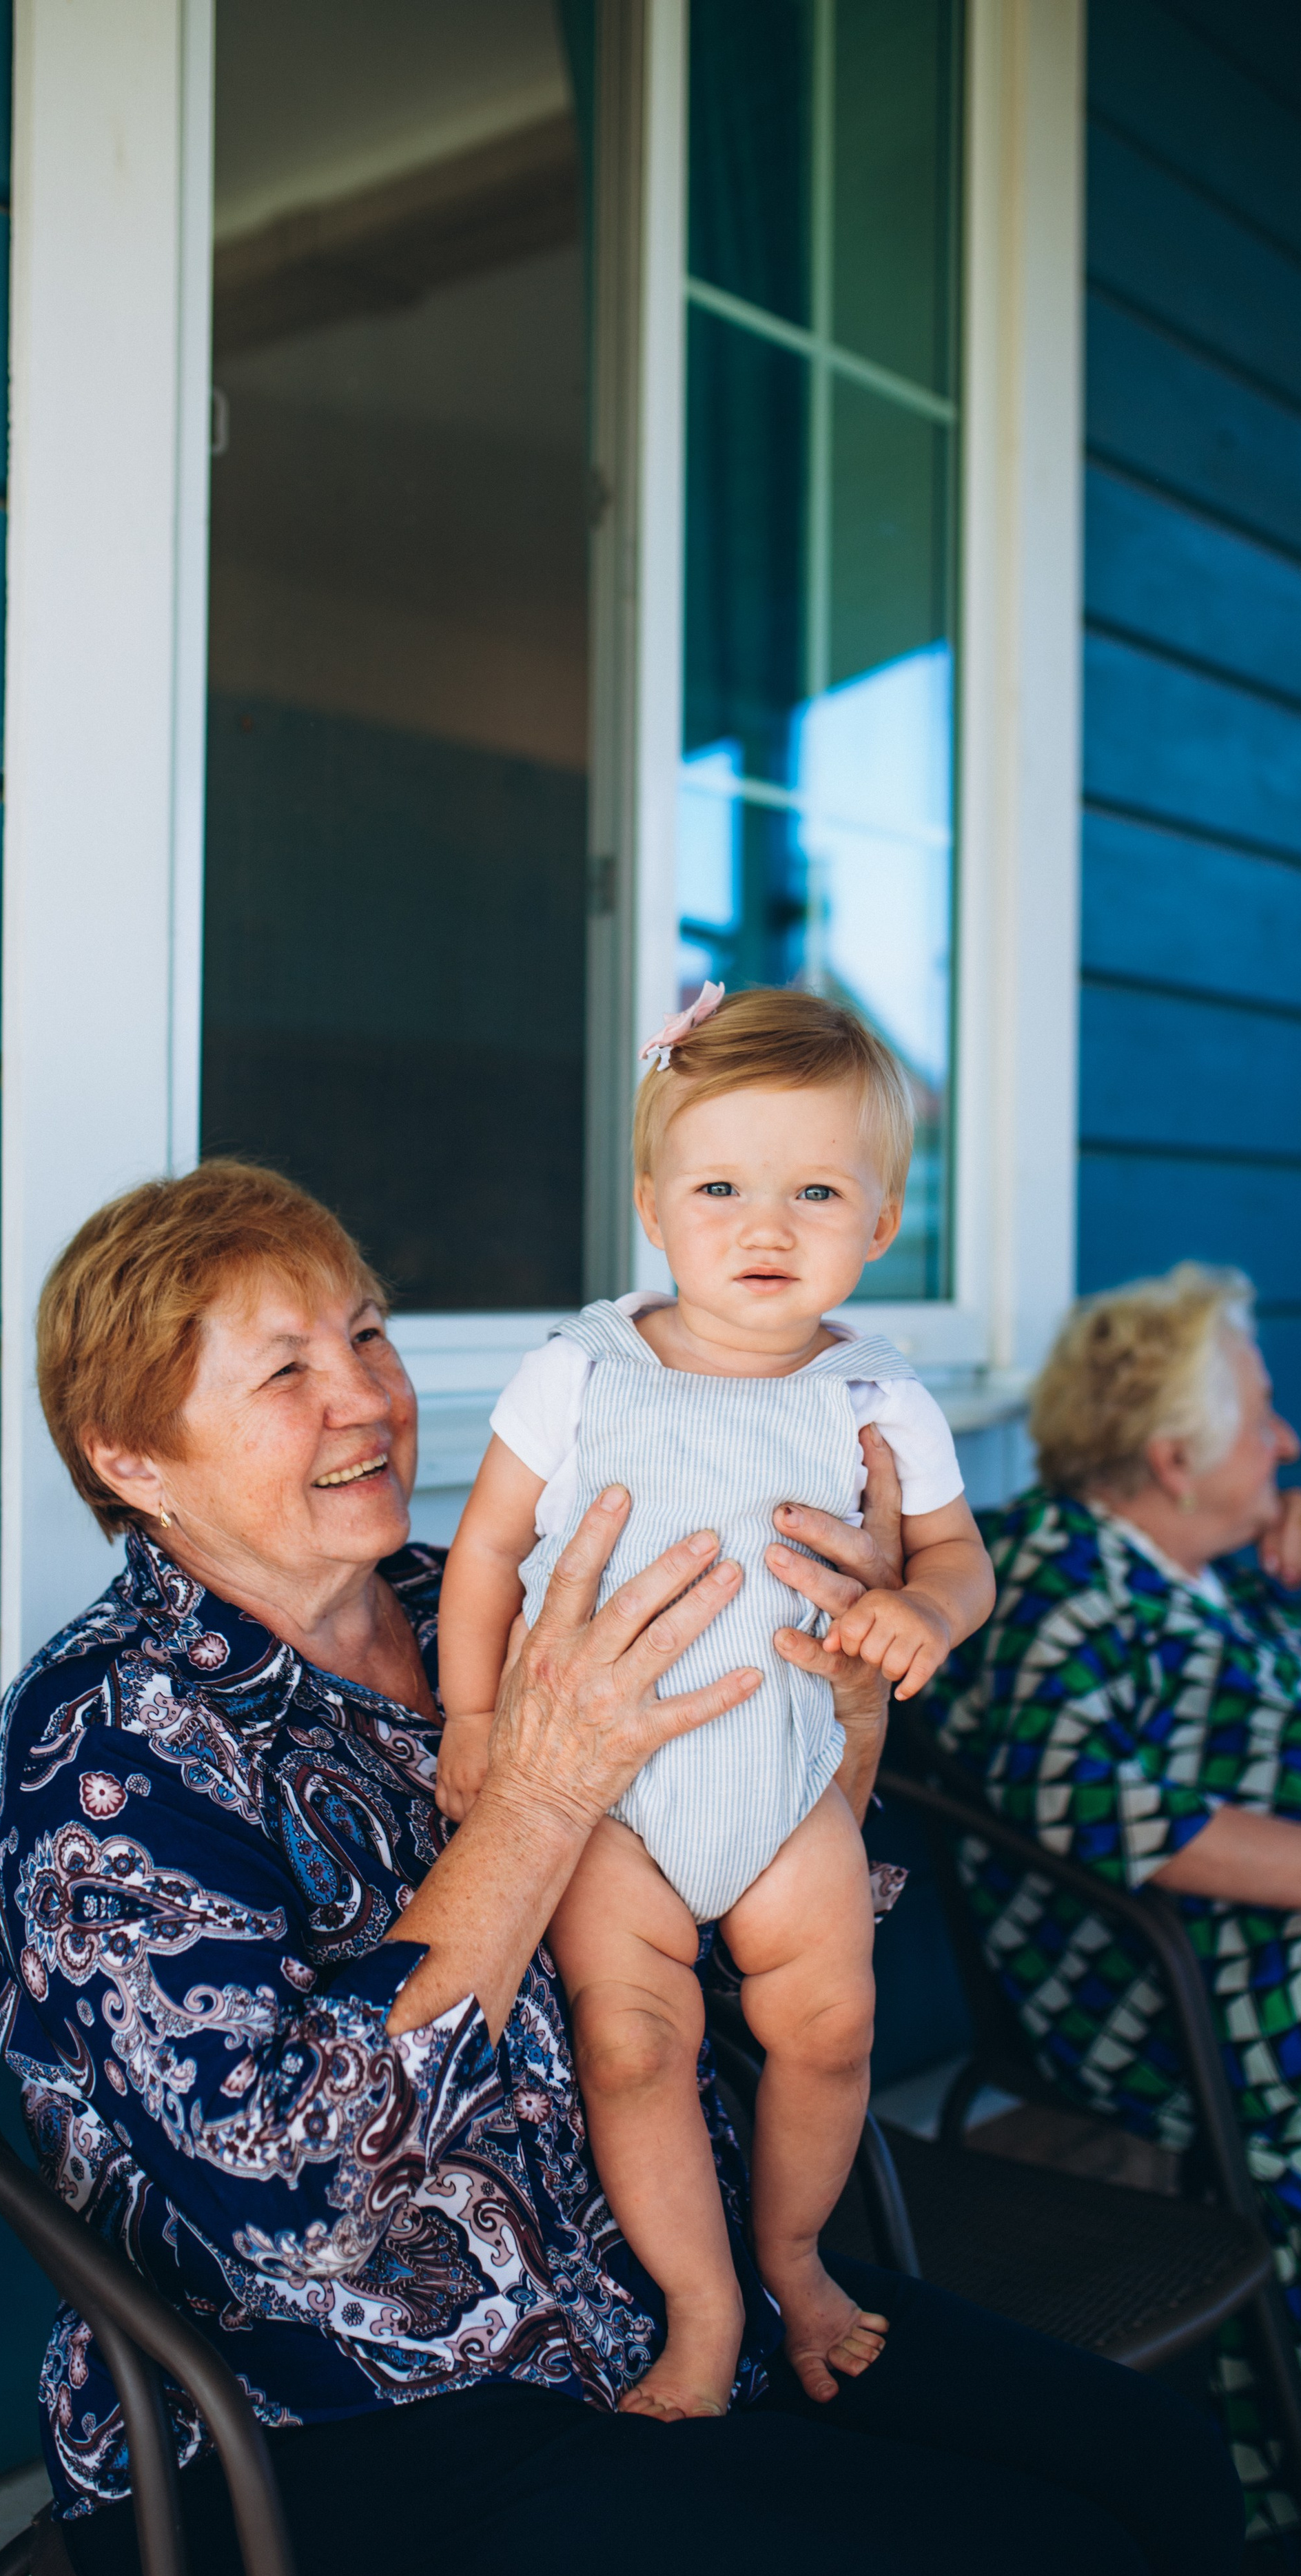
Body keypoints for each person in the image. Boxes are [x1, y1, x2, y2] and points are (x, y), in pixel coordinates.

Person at [0, 1159, 1239, 2576]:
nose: (365, 1398)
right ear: (133, 1458)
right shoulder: (110, 1739)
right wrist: (538, 1793)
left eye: (368, 1334)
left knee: (1163, 2473)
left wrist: (841, 1726)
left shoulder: (491, 1605)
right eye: (283, 1370)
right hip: (337, 2421)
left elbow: (736, 1939)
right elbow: (292, 2203)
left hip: (667, 2288)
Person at [436, 988, 994, 2417]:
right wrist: (474, 1724)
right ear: (650, 1205)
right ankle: (698, 2310)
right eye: (719, 1188)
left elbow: (954, 1558)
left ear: (877, 1224)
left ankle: (794, 2259)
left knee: (828, 2029)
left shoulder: (875, 1393)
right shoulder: (579, 1370)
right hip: (605, 1799)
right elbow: (488, 1550)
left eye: (815, 1190)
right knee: (634, 2045)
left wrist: (920, 1610)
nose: (764, 1227)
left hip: (784, 1774)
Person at [928, 1262, 1301, 2549]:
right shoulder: (1052, 1587)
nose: (1289, 1440)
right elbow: (1112, 1817)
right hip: (1188, 1993)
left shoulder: (1210, 1572)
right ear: (1174, 1455)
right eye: (1266, 1411)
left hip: (1277, 1939)